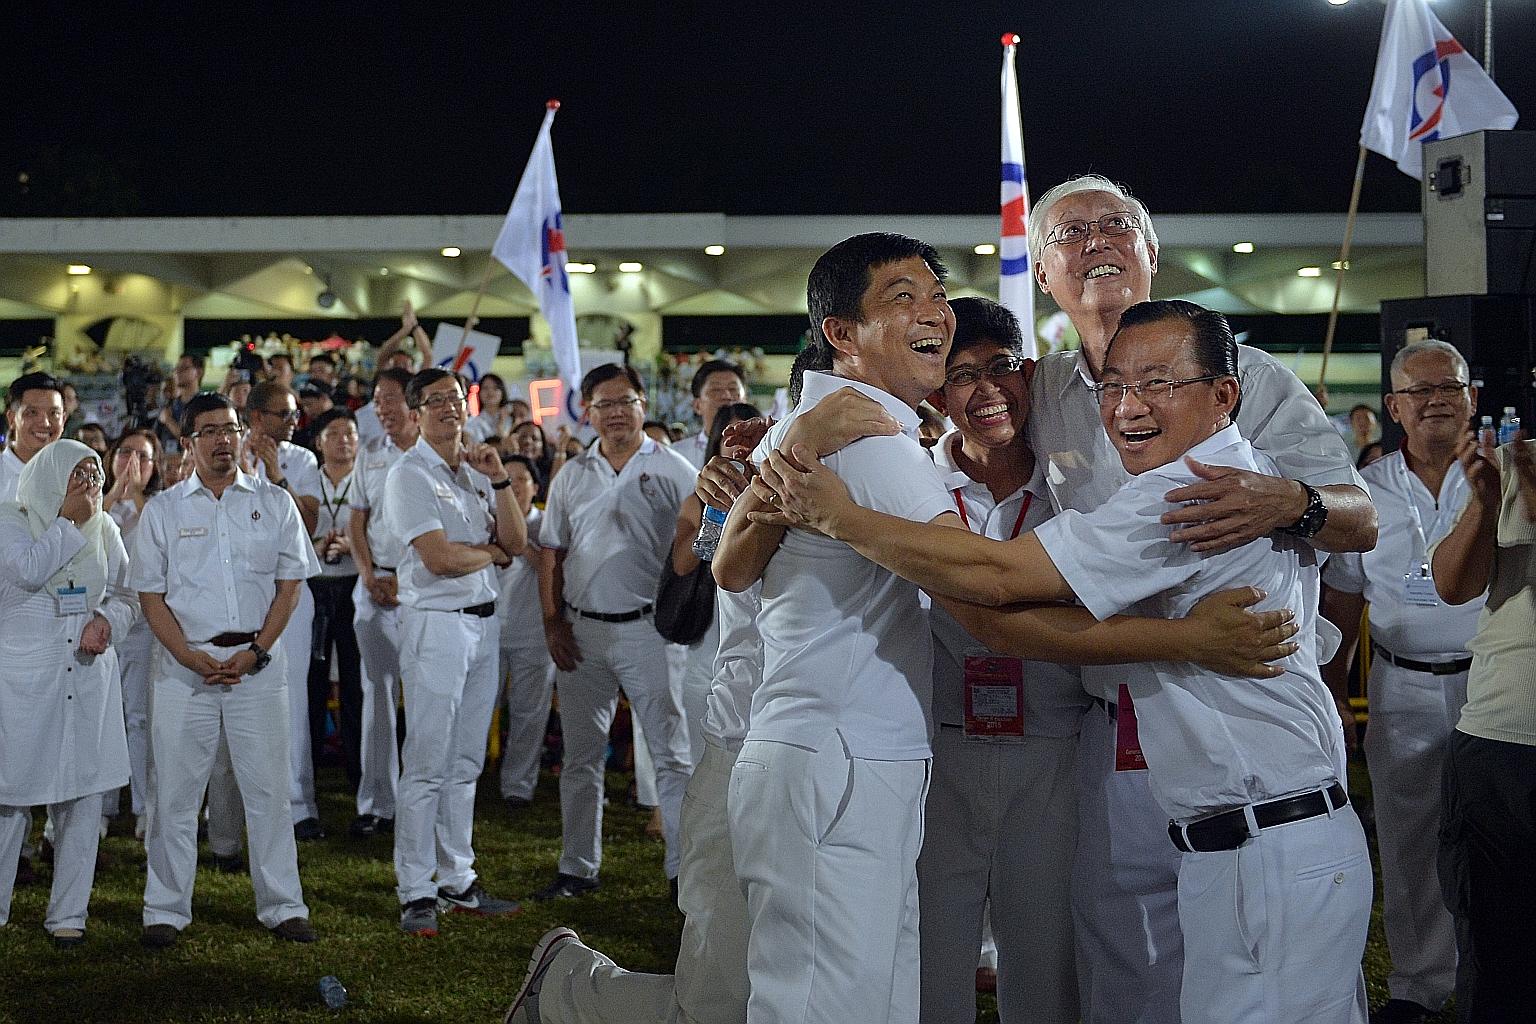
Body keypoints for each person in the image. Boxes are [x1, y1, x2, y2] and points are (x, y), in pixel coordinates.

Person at [753, 299, 1371, 1024]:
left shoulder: (1187, 492)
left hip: (1265, 842)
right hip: (1246, 839)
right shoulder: (1226, 477)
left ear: (1224, 395)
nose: (1128, 406)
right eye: (1113, 386)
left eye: (1158, 384)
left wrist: (842, 518)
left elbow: (998, 583)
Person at [1020, 175, 1374, 1024]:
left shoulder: (1246, 376)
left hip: (1249, 720)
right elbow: (953, 441)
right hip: (1116, 724)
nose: (1096, 241)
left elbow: (1361, 521)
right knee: (1129, 964)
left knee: (1279, 967)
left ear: (1151, 251)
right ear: (1042, 273)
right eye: (1070, 234)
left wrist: (1297, 502)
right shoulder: (1039, 394)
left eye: (1117, 225)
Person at [1320, 340, 1483, 1024]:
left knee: (1498, 836)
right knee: (1410, 836)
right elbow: (1344, 604)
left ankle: (1494, 978)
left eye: (1450, 386)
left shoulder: (1503, 477)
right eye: (1420, 390)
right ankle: (1419, 984)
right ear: (1394, 407)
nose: (1437, 398)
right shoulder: (1368, 492)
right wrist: (1337, 696)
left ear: (1472, 398)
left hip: (1492, 688)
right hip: (1401, 685)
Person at [132, 392, 319, 948]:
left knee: (268, 790)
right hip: (184, 669)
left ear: (244, 436)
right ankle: (164, 909)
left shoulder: (275, 502)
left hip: (257, 667)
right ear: (188, 443)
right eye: (208, 431)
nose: (221, 440)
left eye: (230, 430)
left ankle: (283, 904)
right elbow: (150, 596)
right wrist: (189, 656)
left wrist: (257, 651)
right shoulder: (164, 510)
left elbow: (290, 587)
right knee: (176, 794)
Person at [534, 363, 697, 901]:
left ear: (644, 405)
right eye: (604, 405)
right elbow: (550, 552)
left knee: (670, 754)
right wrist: (553, 620)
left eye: (625, 401)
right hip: (582, 631)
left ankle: (681, 872)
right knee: (581, 757)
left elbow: (697, 549)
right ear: (588, 412)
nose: (616, 414)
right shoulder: (573, 475)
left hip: (649, 632)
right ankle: (577, 866)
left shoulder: (674, 470)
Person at [381, 367, 528, 937]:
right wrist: (489, 553)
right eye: (436, 401)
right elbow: (439, 559)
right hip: (437, 625)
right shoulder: (408, 473)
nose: (449, 408)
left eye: (455, 399)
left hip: (482, 625)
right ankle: (416, 888)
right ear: (416, 414)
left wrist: (499, 483)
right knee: (426, 761)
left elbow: (515, 543)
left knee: (466, 762)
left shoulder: (472, 474)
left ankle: (457, 877)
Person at [0, 440, 137, 949]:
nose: (90, 486)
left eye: (95, 475)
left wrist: (107, 620)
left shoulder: (106, 529)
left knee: (83, 800)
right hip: (23, 683)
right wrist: (69, 521)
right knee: (10, 801)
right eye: (78, 475)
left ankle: (68, 916)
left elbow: (127, 593)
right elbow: (32, 570)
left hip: (85, 676)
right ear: (50, 478)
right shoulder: (10, 522)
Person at [1429, 427, 1536, 1021]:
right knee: (1496, 957)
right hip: (1500, 743)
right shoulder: (1505, 464)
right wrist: (1484, 505)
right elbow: (1451, 585)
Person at [242, 380, 325, 840]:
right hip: (235, 594)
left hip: (289, 591)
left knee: (291, 699)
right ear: (256, 417)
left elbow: (309, 523)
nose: (293, 423)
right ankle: (230, 810)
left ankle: (298, 803)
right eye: (283, 416)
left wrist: (276, 477)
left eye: (295, 416)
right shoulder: (226, 451)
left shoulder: (303, 460)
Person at [343, 366, 416, 838]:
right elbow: (356, 521)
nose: (382, 409)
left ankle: (424, 799)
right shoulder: (369, 455)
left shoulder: (441, 455)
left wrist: (407, 582)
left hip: (426, 590)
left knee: (430, 697)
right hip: (376, 588)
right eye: (376, 399)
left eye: (391, 399)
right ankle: (376, 803)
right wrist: (369, 575)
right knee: (378, 696)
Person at [103, 428, 163, 839]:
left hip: (142, 624)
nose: (132, 462)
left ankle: (143, 805)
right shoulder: (94, 502)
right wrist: (113, 496)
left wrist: (137, 494)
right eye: (125, 452)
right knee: (103, 715)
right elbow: (83, 530)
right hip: (97, 621)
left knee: (138, 717)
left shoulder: (160, 508)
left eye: (142, 456)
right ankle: (103, 805)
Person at [306, 409, 364, 797]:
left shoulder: (370, 480)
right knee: (312, 680)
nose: (343, 440)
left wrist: (353, 547)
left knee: (357, 683)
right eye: (335, 433)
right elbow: (292, 538)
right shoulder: (306, 482)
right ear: (319, 442)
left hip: (357, 585)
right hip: (316, 586)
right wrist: (320, 546)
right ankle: (309, 765)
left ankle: (359, 768)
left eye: (350, 433)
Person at [496, 454, 554, 813]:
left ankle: (518, 784)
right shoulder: (487, 522)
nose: (515, 485)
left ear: (535, 487)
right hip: (487, 633)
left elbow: (551, 569)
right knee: (481, 706)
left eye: (522, 479)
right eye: (507, 478)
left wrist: (524, 545)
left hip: (533, 634)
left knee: (529, 713)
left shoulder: (546, 525)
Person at [3, 372, 67, 501]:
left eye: (54, 413)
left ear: (64, 419)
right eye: (32, 412)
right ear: (12, 419)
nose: (45, 423)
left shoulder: (73, 476)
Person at [679, 360, 749, 469]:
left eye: (733, 389)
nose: (726, 396)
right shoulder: (678, 455)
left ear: (745, 400)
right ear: (697, 405)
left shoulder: (760, 449)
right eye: (716, 390)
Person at [154, 354, 206, 448]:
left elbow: (196, 442)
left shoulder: (205, 405)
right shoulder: (169, 406)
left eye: (184, 368)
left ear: (198, 372)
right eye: (176, 368)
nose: (177, 372)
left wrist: (169, 421)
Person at [468, 373, 514, 443]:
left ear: (502, 392)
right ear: (479, 393)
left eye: (495, 388)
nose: (490, 392)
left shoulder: (512, 419)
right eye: (485, 388)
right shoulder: (473, 423)